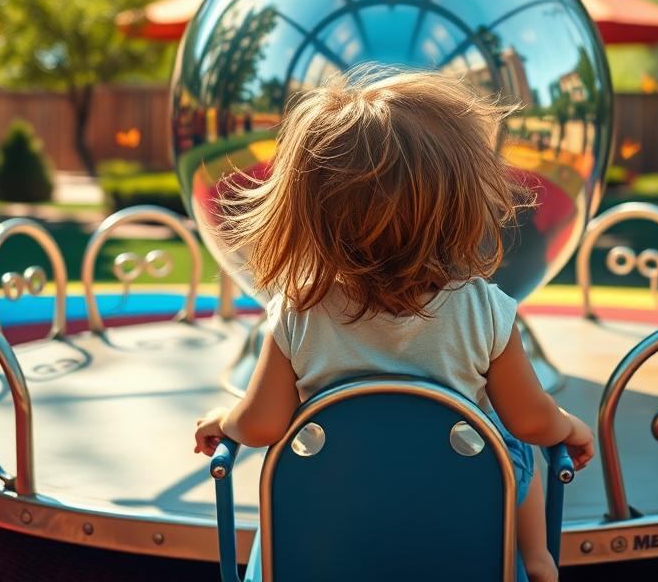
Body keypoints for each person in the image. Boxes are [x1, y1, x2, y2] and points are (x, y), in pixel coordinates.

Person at [194, 69, 594, 582]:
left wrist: (224, 420)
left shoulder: (297, 311)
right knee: (510, 444)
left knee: (289, 471)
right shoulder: (485, 311)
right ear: (459, 207)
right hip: (453, 512)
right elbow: (532, 420)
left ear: (310, 212)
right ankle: (535, 559)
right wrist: (569, 425)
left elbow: (261, 424)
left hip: (334, 515)